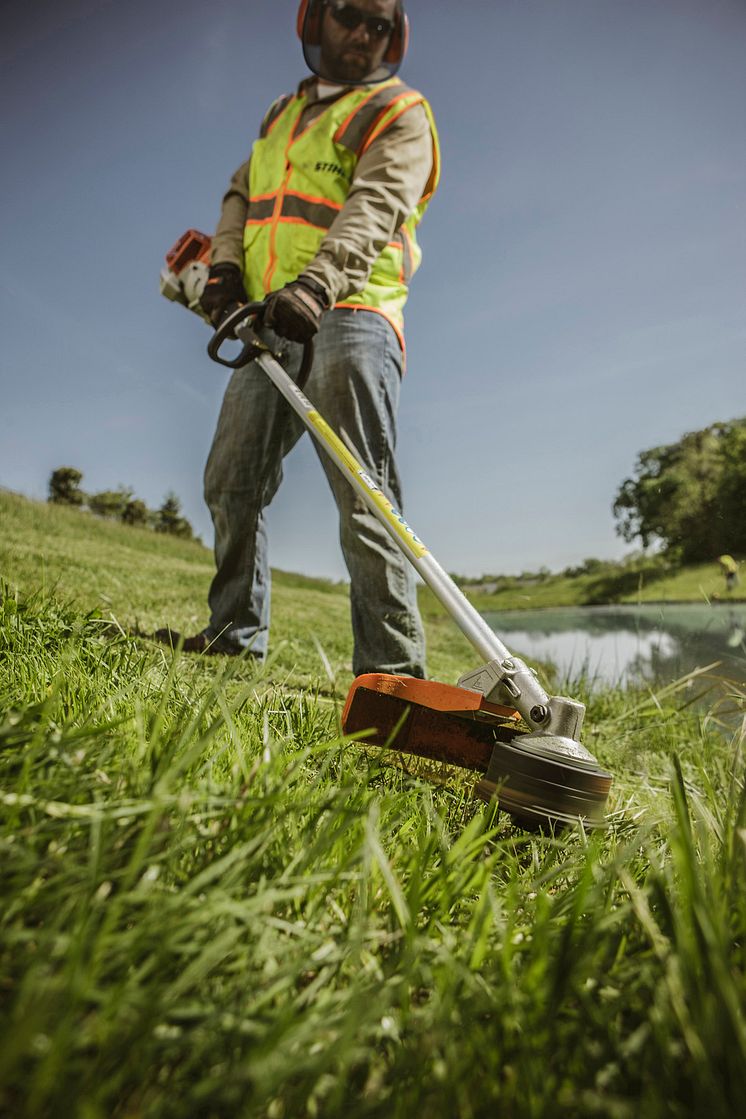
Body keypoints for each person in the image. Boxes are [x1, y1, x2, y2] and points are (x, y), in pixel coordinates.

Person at [155, 0, 440, 677]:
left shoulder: (401, 113)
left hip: (349, 312)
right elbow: (240, 194)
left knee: (362, 493)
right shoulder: (281, 116)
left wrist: (317, 284)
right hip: (265, 321)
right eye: (352, 16)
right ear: (316, 20)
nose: (365, 35)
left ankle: (392, 677)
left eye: (379, 25)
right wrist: (224, 265)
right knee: (230, 480)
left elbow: (375, 207)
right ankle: (232, 634)